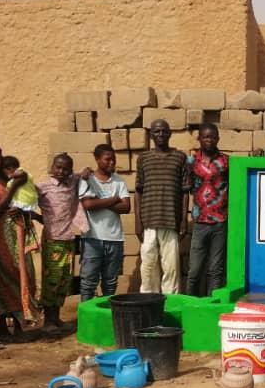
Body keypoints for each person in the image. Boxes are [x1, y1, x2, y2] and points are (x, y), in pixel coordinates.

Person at [0, 143, 37, 340]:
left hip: (18, 232)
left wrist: (23, 208)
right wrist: (13, 188)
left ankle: (21, 324)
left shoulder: (11, 176)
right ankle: (3, 328)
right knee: (4, 277)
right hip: (0, 234)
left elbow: (28, 197)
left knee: (24, 274)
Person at [36, 153, 88, 334]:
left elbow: (84, 173)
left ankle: (56, 318)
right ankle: (47, 321)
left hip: (68, 239)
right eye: (58, 167)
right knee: (52, 280)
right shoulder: (42, 187)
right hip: (52, 240)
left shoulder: (72, 181)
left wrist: (85, 172)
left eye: (66, 169)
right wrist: (38, 217)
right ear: (52, 167)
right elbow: (26, 202)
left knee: (63, 280)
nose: (61, 171)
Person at [135, 119, 187, 294]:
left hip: (171, 220)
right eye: (157, 131)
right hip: (148, 221)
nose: (161, 134)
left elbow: (185, 192)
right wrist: (137, 222)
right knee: (148, 268)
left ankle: (170, 304)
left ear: (170, 134)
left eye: (164, 131)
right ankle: (148, 302)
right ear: (151, 135)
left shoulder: (180, 157)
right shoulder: (143, 158)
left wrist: (184, 220)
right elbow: (138, 191)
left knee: (171, 269)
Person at [78, 144, 130, 301]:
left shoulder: (119, 181)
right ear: (97, 159)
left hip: (115, 239)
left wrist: (99, 201)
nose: (111, 163)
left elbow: (126, 207)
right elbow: (88, 205)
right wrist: (114, 199)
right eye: (107, 159)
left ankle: (107, 313)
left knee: (110, 284)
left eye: (113, 159)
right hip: (92, 239)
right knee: (88, 283)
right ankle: (87, 314)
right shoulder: (87, 179)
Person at [183, 123, 229, 296]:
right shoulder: (191, 161)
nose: (209, 140)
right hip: (200, 221)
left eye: (213, 137)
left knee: (215, 269)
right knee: (194, 270)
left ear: (218, 139)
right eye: (206, 137)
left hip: (220, 221)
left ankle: (212, 304)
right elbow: (186, 188)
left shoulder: (226, 161)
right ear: (199, 139)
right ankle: (190, 304)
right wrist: (184, 217)